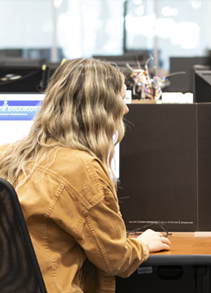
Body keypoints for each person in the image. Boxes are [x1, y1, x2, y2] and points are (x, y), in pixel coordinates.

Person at [0, 58, 171, 293]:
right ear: (102, 110)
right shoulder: (81, 168)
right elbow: (115, 260)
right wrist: (141, 244)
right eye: (121, 99)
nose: (126, 109)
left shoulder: (8, 155)